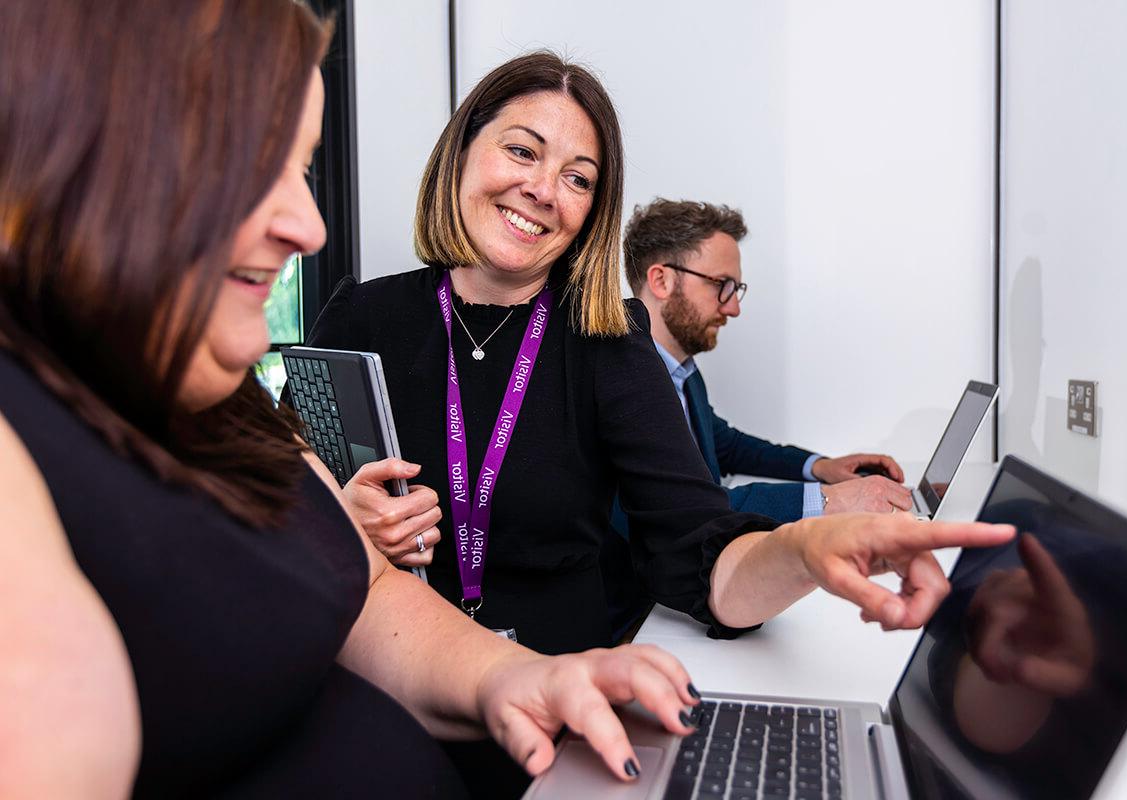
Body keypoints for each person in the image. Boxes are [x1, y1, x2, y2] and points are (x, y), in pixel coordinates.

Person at [0, 3, 705, 796]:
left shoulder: (218, 397)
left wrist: (509, 678)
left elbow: (366, 592)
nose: (309, 226)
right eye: (256, 161)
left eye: (302, 169)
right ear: (87, 142)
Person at [304, 50, 1013, 660]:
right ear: (462, 149)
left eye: (579, 178)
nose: (544, 191)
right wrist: (340, 518)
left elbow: (702, 553)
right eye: (522, 151)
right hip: (388, 674)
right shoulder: (360, 315)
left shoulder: (610, 339)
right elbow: (273, 497)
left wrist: (805, 550)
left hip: (560, 701)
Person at [622, 198, 912, 520]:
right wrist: (829, 500)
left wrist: (820, 467)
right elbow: (682, 508)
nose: (733, 308)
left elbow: (726, 446)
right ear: (661, 281)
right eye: (721, 285)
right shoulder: (619, 385)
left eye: (736, 289)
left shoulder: (681, 373)